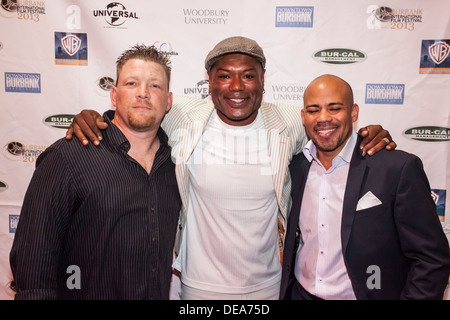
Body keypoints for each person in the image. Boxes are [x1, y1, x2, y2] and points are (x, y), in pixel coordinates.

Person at [65, 36, 396, 299]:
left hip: (268, 287)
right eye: (224, 76)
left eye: (248, 75)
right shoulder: (182, 115)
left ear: (263, 80)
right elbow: (137, 109)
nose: (237, 87)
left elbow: (330, 131)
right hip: (197, 287)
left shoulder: (289, 124)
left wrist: (370, 133)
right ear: (209, 81)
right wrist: (95, 117)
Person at [9, 44, 181, 300]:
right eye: (131, 83)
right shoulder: (69, 156)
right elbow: (34, 261)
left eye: (155, 86)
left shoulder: (176, 164)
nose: (143, 93)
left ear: (168, 101)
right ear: (113, 95)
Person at [280, 74, 450, 300]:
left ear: (354, 113)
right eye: (313, 110)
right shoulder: (295, 166)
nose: (323, 118)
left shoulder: (396, 168)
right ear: (303, 116)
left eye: (334, 108)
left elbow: (432, 258)